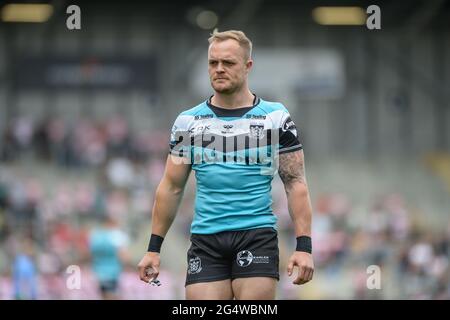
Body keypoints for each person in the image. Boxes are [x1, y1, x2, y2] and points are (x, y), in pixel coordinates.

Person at [138, 29, 314, 300]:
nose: (219, 69)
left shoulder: (275, 117)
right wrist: (153, 248)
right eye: (213, 63)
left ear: (248, 66)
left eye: (228, 63)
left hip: (256, 234)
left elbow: (295, 183)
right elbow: (172, 187)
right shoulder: (188, 122)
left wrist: (304, 247)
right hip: (206, 240)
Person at [89, 215, 130, 300]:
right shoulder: (116, 235)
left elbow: (91, 254)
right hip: (113, 273)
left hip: (98, 272)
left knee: (104, 295)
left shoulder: (95, 236)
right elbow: (124, 256)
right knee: (113, 295)